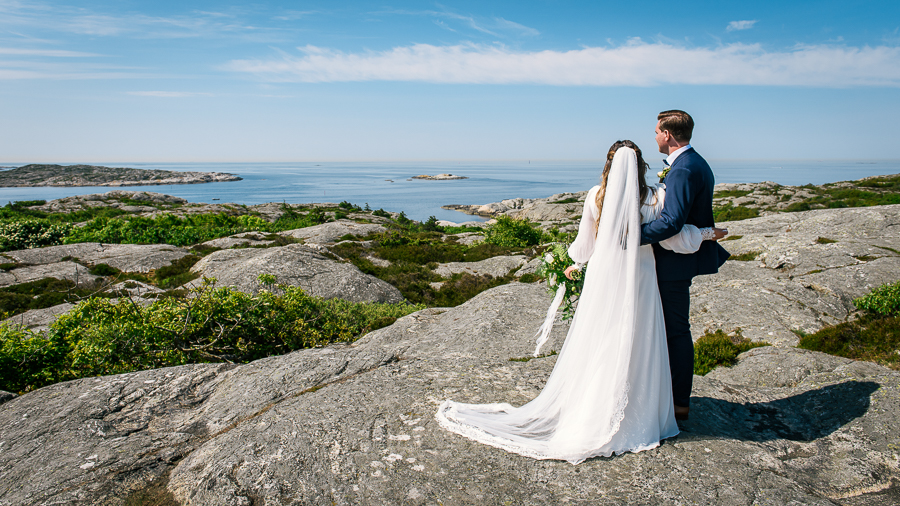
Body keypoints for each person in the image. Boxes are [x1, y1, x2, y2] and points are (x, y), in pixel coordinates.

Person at [436, 140, 726, 464]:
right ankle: (638, 413)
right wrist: (706, 234)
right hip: (642, 281)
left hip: (605, 277)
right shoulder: (653, 199)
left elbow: (584, 246)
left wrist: (570, 264)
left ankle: (594, 408)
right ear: (641, 165)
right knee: (638, 340)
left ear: (609, 164)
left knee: (603, 339)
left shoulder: (594, 196)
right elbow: (674, 239)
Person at [640, 110, 730, 421]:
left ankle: (678, 403)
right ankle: (671, 397)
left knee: (675, 332)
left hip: (673, 263)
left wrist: (627, 237)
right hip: (676, 261)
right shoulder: (694, 162)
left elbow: (671, 222)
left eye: (656, 132)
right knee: (671, 330)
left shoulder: (682, 170)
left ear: (667, 135)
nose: (654, 137)